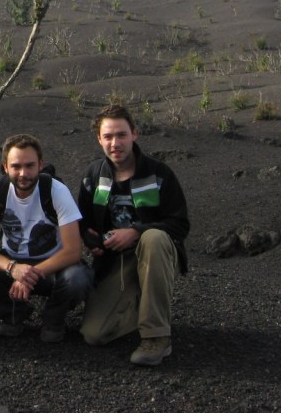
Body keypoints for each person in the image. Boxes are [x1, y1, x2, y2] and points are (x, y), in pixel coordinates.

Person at [77, 103, 191, 366]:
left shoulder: (158, 174)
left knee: (153, 237)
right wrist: (89, 237)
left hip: (156, 254)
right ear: (99, 139)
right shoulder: (93, 176)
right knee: (94, 334)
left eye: (121, 135)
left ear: (134, 134)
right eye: (108, 136)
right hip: (115, 263)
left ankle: (157, 338)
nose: (115, 142)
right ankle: (140, 304)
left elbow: (180, 225)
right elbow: (80, 220)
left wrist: (136, 232)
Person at [0, 133, 92, 342]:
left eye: (30, 166)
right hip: (12, 262)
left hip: (52, 265)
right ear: (5, 167)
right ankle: (14, 313)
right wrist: (13, 268)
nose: (23, 173)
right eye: (16, 166)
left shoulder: (57, 191)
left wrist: (30, 274)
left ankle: (53, 318)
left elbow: (73, 251)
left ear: (40, 164)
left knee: (78, 278)